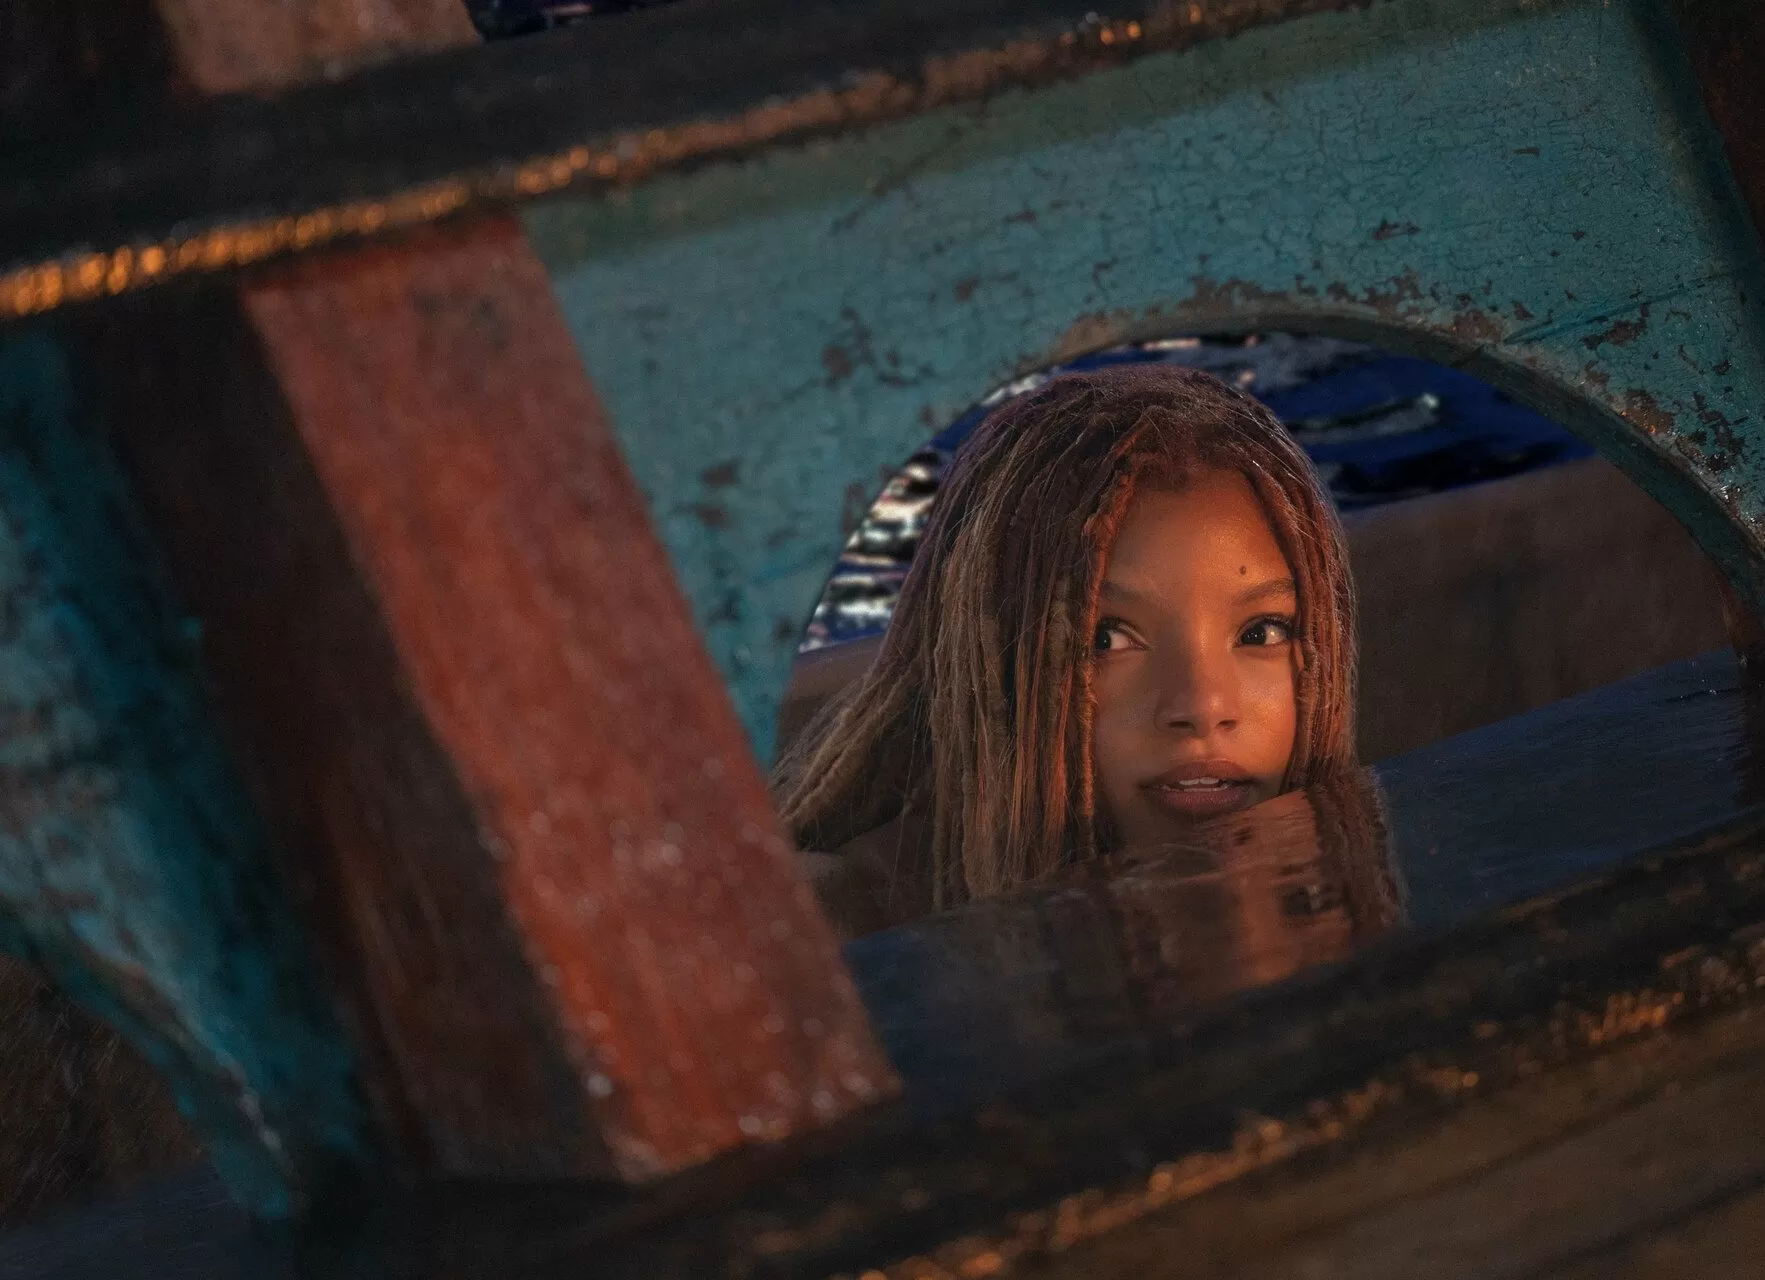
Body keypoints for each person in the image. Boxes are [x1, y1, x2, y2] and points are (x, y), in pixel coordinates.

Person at [773, 362, 1358, 935]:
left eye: (1261, 632)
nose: (1203, 706)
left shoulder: (1354, 883)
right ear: (991, 665)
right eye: (1108, 638)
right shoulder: (839, 929)